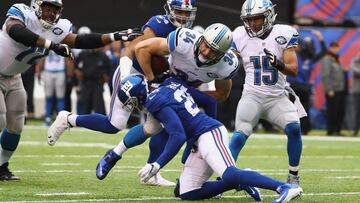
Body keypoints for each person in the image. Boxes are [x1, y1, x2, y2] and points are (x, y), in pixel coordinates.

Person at [48, 0, 197, 186]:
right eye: (179, 11)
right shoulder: (158, 25)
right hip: (134, 74)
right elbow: (129, 49)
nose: (183, 17)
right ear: (169, 9)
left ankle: (151, 171)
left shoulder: (189, 35)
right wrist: (127, 77)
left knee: (160, 124)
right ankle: (69, 119)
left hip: (157, 81)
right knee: (115, 124)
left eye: (186, 13)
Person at [0, 0, 141, 181]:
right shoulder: (22, 13)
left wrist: (114, 36)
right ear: (36, 5)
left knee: (16, 125)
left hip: (14, 77)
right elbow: (16, 31)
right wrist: (51, 45)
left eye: (55, 10)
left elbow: (80, 40)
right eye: (48, 8)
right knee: (1, 119)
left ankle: (2, 166)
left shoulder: (58, 27)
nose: (52, 13)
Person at [106, 74, 304, 202]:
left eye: (132, 102)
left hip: (208, 133)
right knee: (187, 193)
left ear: (139, 95)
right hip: (199, 137)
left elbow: (177, 135)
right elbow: (208, 100)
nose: (133, 106)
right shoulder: (169, 84)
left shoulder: (155, 101)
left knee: (229, 173)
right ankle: (242, 180)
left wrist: (156, 165)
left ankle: (284, 187)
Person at [94, 23, 239, 183]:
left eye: (214, 52)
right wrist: (151, 79)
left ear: (222, 55)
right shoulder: (184, 40)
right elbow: (141, 48)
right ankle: (116, 156)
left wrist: (190, 96)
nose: (206, 52)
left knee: (168, 130)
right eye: (206, 45)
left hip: (187, 91)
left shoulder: (227, 65)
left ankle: (185, 176)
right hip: (164, 82)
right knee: (156, 129)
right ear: (201, 39)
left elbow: (221, 94)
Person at [229, 0, 304, 185]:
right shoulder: (238, 35)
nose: (253, 23)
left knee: (294, 128)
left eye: (258, 18)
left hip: (276, 97)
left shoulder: (283, 34)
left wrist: (277, 63)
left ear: (269, 16)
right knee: (240, 134)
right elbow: (228, 61)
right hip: (251, 96)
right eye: (250, 19)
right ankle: (224, 176)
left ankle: (293, 176)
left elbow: (293, 69)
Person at [287, 30, 327, 135]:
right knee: (291, 108)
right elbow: (286, 45)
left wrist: (320, 38)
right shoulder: (294, 55)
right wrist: (293, 32)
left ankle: (305, 129)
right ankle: (291, 128)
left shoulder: (309, 59)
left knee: (305, 109)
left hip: (304, 86)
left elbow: (323, 52)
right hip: (293, 85)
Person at [36, 50, 73, 126]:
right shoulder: (47, 43)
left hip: (60, 72)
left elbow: (67, 59)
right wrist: (39, 71)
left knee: (60, 98)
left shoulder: (62, 44)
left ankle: (61, 119)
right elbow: (42, 57)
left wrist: (69, 73)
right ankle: (48, 118)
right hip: (48, 71)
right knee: (48, 97)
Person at [321, 42, 346, 136]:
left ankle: (337, 130)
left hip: (340, 89)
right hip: (333, 90)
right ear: (330, 48)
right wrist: (329, 89)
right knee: (332, 111)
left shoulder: (336, 59)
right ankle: (331, 130)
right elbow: (326, 75)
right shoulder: (327, 59)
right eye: (334, 48)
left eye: (337, 48)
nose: (337, 49)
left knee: (339, 110)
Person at [350, 53, 360, 136]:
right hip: (357, 90)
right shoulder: (354, 61)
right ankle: (354, 130)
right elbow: (356, 71)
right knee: (356, 111)